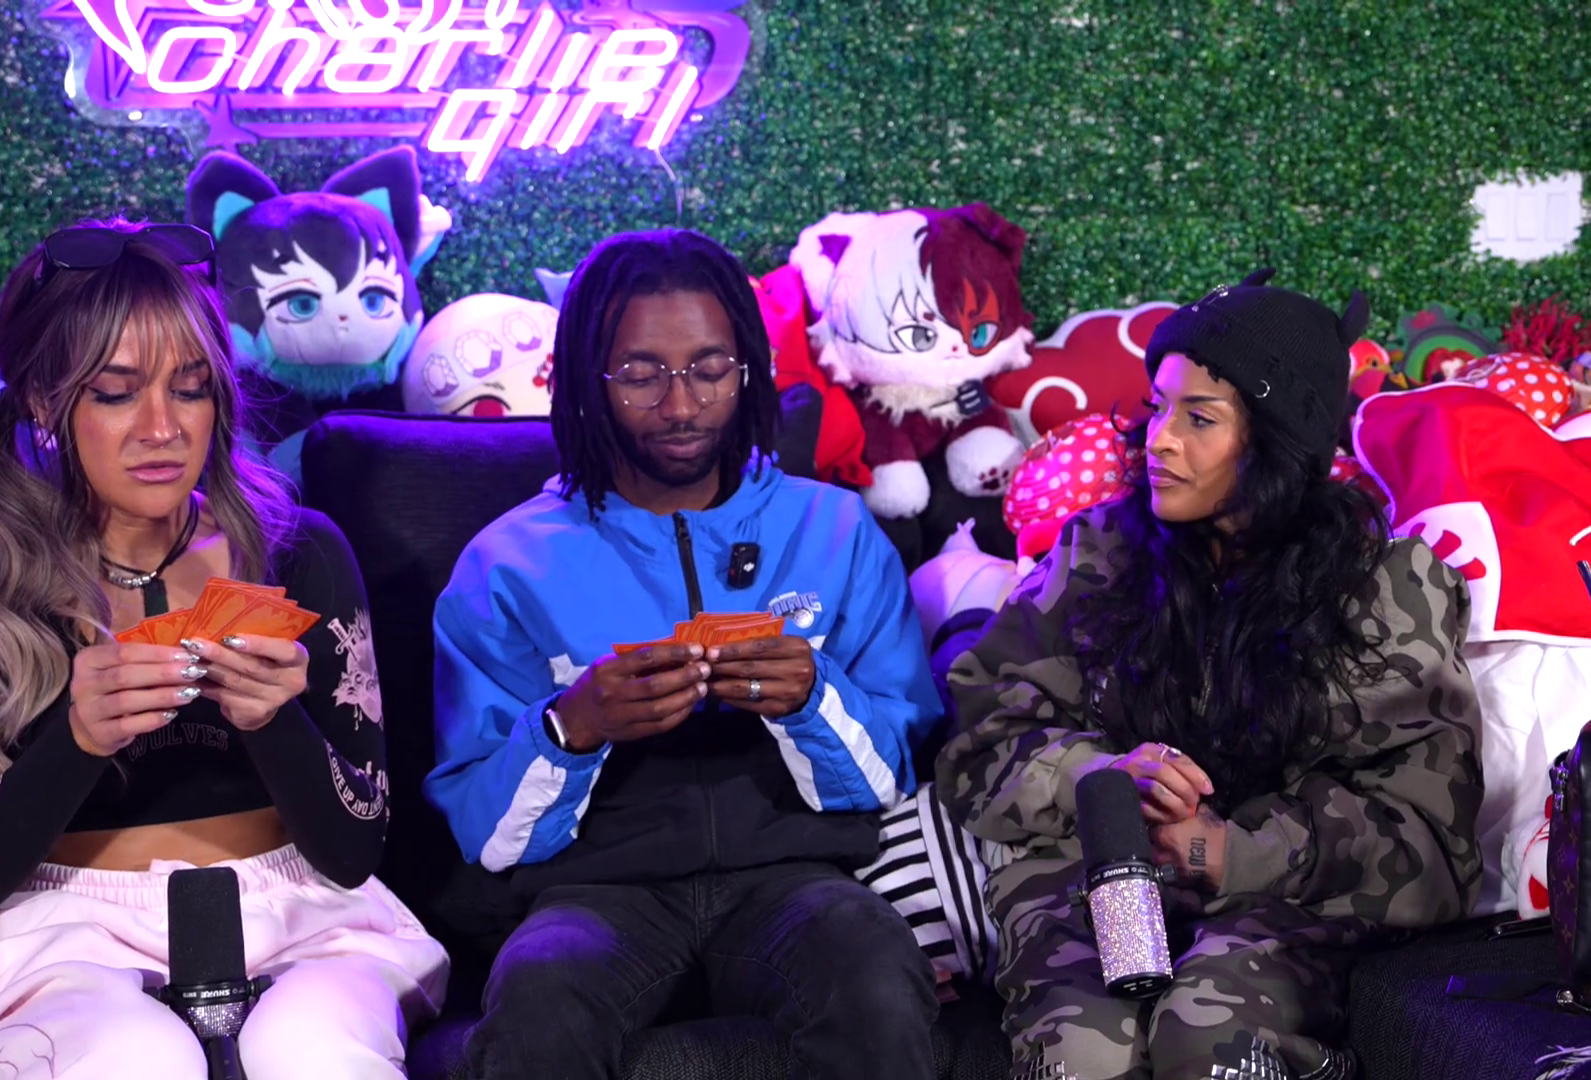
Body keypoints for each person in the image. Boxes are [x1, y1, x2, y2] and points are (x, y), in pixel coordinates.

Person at [0, 220, 448, 1079]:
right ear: (43, 401)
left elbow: (354, 850)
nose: (162, 428)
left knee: (312, 1053)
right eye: (116, 394)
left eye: (189, 389)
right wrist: (76, 741)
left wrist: (275, 720)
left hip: (302, 921)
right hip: (57, 939)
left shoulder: (301, 552)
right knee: (136, 1058)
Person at [936, 271, 1484, 1080]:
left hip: (1282, 897)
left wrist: (1235, 852)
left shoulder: (1381, 590)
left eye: (1199, 418)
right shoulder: (1097, 556)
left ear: (1277, 442)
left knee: (1207, 1039)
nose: (1159, 440)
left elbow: (1430, 840)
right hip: (1098, 873)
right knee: (1086, 1056)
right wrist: (1097, 778)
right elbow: (982, 737)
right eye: (1158, 407)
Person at [426, 229, 946, 1079]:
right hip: (595, 893)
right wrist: (573, 726)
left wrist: (812, 699)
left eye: (709, 370)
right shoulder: (506, 562)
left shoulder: (833, 527)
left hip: (796, 879)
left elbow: (895, 770)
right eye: (641, 374)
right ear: (586, 382)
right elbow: (485, 833)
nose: (680, 406)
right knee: (539, 994)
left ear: (747, 372)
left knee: (876, 971)